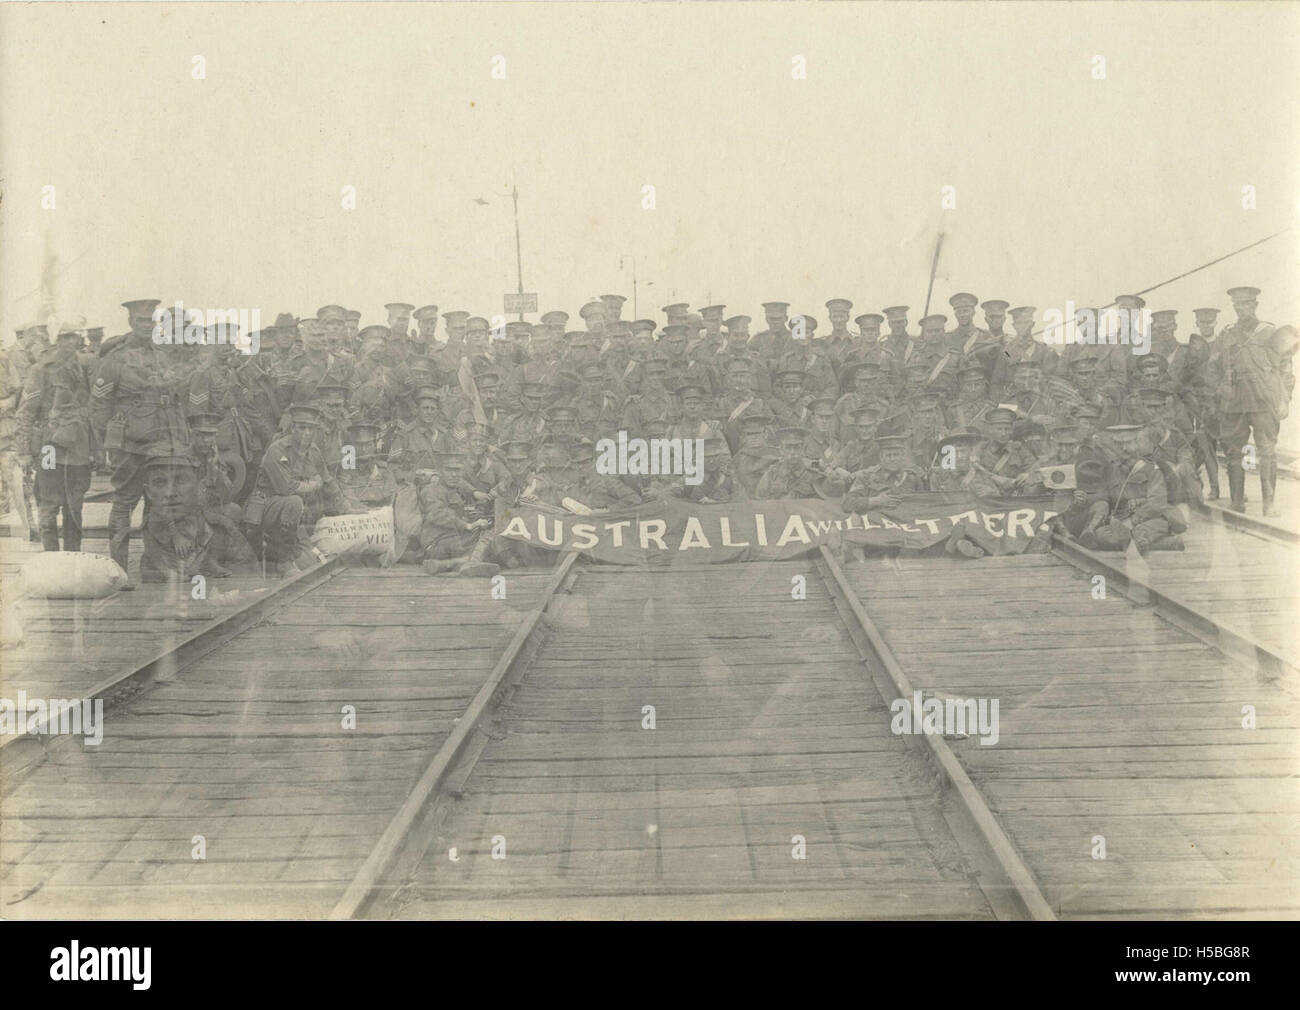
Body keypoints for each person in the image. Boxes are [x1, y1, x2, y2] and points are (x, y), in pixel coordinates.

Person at [90, 300, 191, 578]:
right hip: (130, 445)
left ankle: (153, 564)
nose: (147, 325)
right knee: (125, 501)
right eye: (142, 320)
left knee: (159, 500)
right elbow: (99, 406)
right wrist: (107, 442)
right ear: (132, 322)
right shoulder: (115, 359)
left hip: (162, 441)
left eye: (151, 320)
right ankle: (119, 569)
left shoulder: (161, 355)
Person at [1210, 286, 1288, 515]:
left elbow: (1285, 369)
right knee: (1236, 452)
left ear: (1254, 305)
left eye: (1245, 304)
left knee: (1267, 451)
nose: (1240, 309)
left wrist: (1285, 399)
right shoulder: (1226, 334)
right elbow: (1212, 367)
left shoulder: (1269, 332)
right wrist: (1219, 390)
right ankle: (1237, 502)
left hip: (1263, 401)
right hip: (1234, 403)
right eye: (1237, 305)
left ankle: (1269, 504)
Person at [17, 324, 93, 551]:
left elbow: (91, 408)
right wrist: (23, 451)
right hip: (49, 447)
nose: (71, 342)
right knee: (49, 505)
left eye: (75, 337)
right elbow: (26, 412)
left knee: (75, 506)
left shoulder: (83, 367)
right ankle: (51, 558)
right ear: (57, 339)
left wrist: (96, 448)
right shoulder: (41, 370)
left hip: (78, 448)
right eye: (66, 337)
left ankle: (72, 558)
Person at [244, 403, 338, 574]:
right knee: (293, 501)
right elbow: (287, 488)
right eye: (302, 428)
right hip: (265, 506)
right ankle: (284, 560)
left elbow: (328, 481)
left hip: (293, 513)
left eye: (311, 429)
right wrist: (313, 484)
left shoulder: (313, 451)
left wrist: (345, 506)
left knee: (311, 561)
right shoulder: (277, 450)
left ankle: (288, 554)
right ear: (293, 428)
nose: (306, 433)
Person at [139, 450, 259, 583]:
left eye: (181, 480)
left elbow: (250, 574)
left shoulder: (220, 530)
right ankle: (173, 572)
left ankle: (207, 562)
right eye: (160, 483)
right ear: (149, 492)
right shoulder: (153, 531)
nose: (170, 492)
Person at [417, 445, 501, 577]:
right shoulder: (430, 491)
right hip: (437, 542)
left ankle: (445, 565)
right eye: (449, 470)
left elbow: (464, 490)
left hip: (453, 539)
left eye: (457, 470)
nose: (454, 474)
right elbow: (438, 515)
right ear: (439, 471)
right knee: (488, 540)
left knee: (491, 535)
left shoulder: (454, 488)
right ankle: (470, 562)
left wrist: (473, 519)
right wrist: (468, 525)